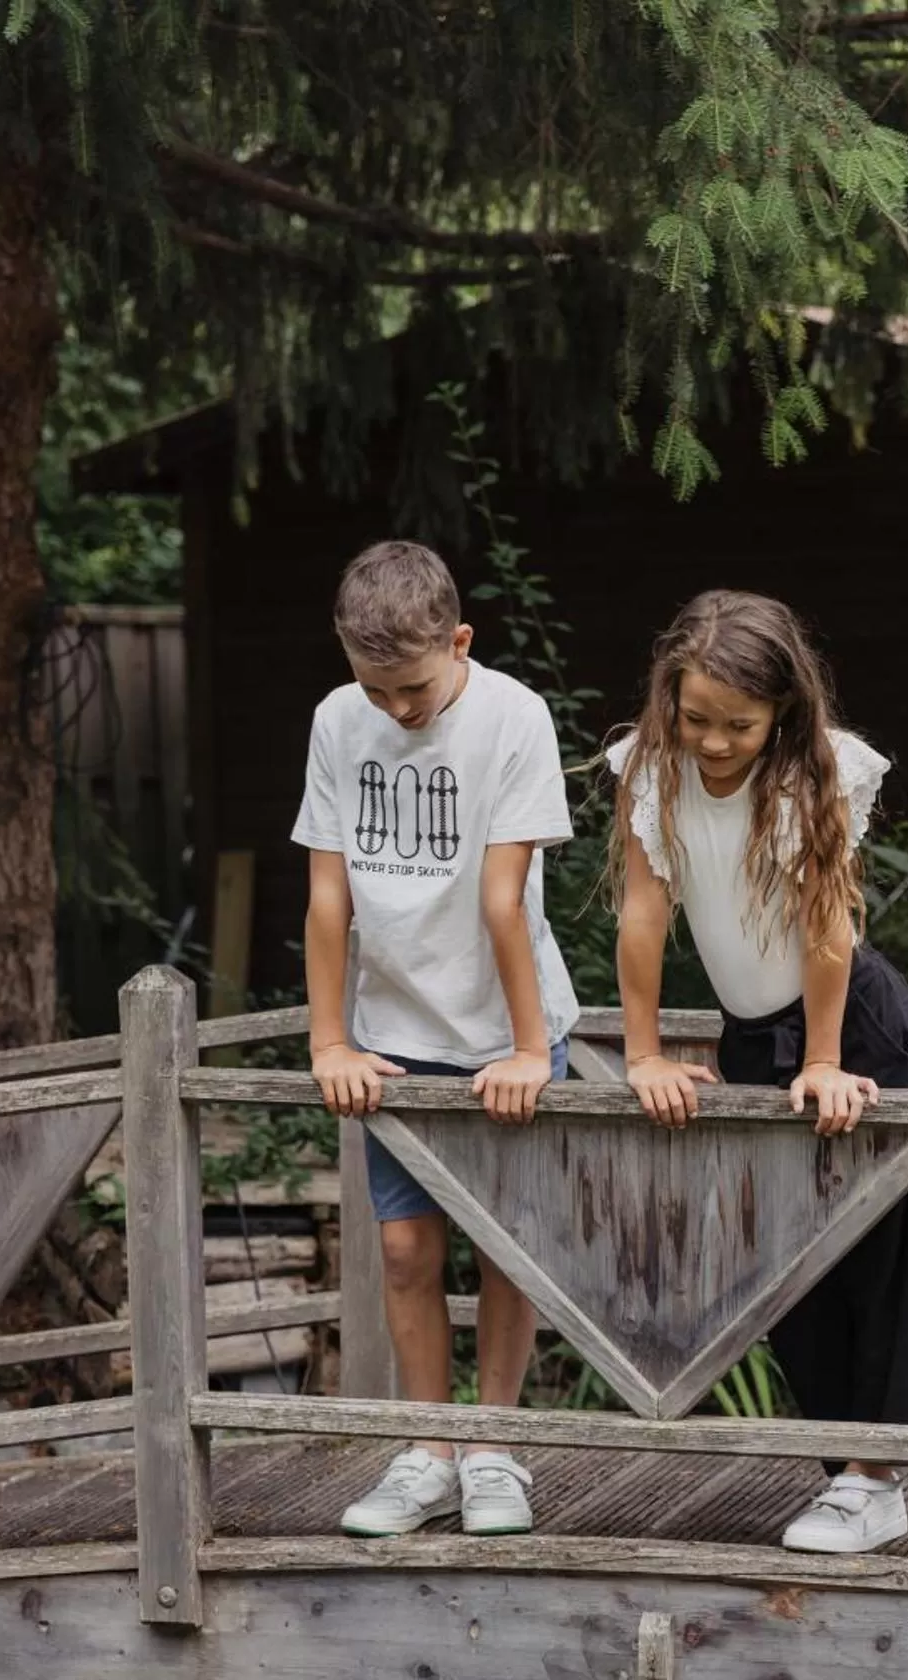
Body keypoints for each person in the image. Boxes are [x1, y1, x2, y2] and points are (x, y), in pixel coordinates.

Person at [608, 587, 908, 1556]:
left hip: (853, 1025)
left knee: (878, 1258)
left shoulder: (818, 775)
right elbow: (645, 916)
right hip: (748, 1034)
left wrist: (821, 1061)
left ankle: (874, 1480)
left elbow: (825, 926)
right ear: (668, 701)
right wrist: (642, 1054)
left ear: (784, 713)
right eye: (696, 720)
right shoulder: (652, 770)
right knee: (777, 1267)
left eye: (739, 724)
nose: (715, 743)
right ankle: (898, 1418)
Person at [297, 539, 579, 1537]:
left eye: (413, 687)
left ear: (458, 641)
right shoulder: (341, 720)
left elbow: (506, 900)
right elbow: (329, 897)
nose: (398, 710)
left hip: (507, 1027)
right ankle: (426, 1447)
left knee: (508, 1249)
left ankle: (496, 1447)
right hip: (394, 1032)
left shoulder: (513, 717)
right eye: (376, 687)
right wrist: (331, 1039)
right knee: (409, 1252)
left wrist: (531, 1051)